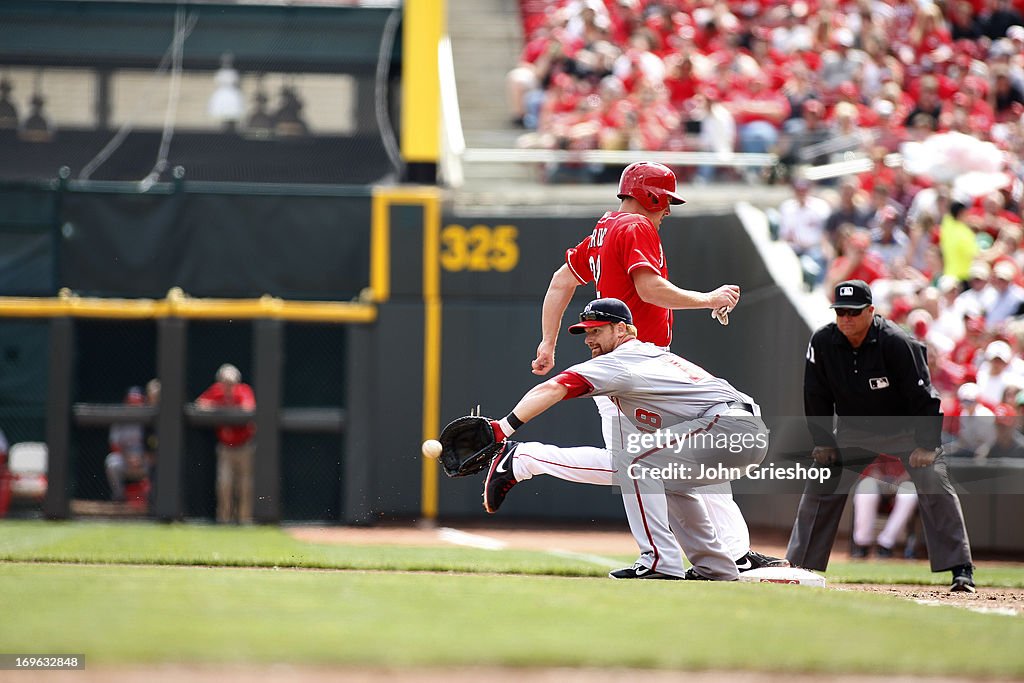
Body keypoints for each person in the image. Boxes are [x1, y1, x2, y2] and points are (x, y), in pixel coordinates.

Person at [528, 161, 786, 579]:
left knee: (697, 453)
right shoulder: (635, 227)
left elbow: (560, 281)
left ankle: (732, 551)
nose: (667, 209)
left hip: (642, 367)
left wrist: (548, 341)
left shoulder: (604, 229)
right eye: (665, 200)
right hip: (636, 367)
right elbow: (649, 288)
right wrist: (708, 299)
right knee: (629, 465)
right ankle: (527, 460)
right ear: (648, 195)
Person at [484, 298, 770, 581]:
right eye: (587, 331)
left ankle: (658, 561)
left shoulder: (620, 360)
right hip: (743, 430)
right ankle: (714, 568)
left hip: (727, 427)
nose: (588, 339)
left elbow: (553, 388)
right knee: (667, 480)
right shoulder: (651, 355)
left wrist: (503, 428)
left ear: (621, 329)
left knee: (634, 460)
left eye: (597, 330)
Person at [787, 279, 976, 592]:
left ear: (871, 311)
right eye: (841, 312)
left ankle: (961, 568)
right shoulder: (822, 341)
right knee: (823, 480)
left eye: (854, 312)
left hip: (903, 427)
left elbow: (925, 397)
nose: (846, 318)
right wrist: (823, 441)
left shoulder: (896, 341)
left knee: (935, 482)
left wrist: (927, 445)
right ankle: (800, 565)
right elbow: (815, 394)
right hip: (854, 428)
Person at [196, 363, 256, 524]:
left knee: (244, 485)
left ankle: (244, 520)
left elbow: (247, 408)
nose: (228, 386)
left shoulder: (243, 390)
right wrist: (219, 407)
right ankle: (224, 520)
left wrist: (225, 409)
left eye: (231, 383)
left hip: (244, 446)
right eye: (225, 382)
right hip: (225, 448)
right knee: (224, 484)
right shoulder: (216, 391)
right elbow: (200, 405)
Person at [850, 455, 919, 559]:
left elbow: (917, 470)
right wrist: (881, 481)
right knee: (866, 486)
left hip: (901, 486)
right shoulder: (875, 442)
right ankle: (862, 543)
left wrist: (897, 483)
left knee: (910, 492)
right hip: (879, 488)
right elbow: (868, 469)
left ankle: (886, 544)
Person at [104, 386, 148, 503]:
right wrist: (128, 459)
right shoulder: (120, 418)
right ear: (126, 402)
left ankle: (152, 498)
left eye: (137, 402)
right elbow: (114, 444)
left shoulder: (149, 419)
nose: (134, 405)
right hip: (125, 457)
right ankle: (119, 496)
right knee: (112, 462)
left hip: (144, 458)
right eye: (132, 401)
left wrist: (142, 457)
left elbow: (153, 444)